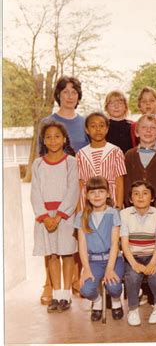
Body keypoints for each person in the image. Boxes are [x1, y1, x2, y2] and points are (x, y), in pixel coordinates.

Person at [38, 75, 88, 304]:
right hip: (53, 184)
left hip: (79, 183)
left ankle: (75, 280)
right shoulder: (48, 120)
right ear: (58, 95)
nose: (69, 96)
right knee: (50, 236)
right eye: (65, 91)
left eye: (73, 91)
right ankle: (49, 284)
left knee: (74, 232)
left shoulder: (84, 122)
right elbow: (42, 155)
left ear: (78, 96)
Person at [31, 121, 79, 313]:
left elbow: (72, 190)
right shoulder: (38, 163)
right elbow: (35, 192)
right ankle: (55, 293)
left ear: (64, 139)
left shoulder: (71, 162)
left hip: (64, 217)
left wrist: (58, 216)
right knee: (51, 254)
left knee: (67, 254)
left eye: (57, 136)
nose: (53, 140)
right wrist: (44, 216)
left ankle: (65, 295)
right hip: (45, 218)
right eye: (48, 137)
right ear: (43, 140)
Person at [75, 176, 125, 322]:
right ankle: (97, 302)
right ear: (87, 195)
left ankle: (116, 301)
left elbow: (115, 243)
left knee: (114, 286)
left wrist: (110, 268)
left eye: (101, 191)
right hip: (93, 262)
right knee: (85, 288)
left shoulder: (113, 213)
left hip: (113, 259)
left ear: (108, 194)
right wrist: (86, 269)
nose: (97, 195)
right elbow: (82, 246)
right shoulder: (82, 215)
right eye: (92, 192)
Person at [121, 180, 156, 326]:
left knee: (155, 275)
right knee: (133, 276)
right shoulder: (124, 214)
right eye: (136, 194)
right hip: (132, 256)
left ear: (152, 198)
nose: (140, 197)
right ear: (130, 199)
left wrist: (153, 262)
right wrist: (133, 264)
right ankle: (133, 309)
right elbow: (125, 244)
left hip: (153, 255)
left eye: (145, 193)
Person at [76, 112, 127, 210]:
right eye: (93, 126)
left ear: (107, 129)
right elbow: (80, 184)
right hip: (88, 204)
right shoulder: (80, 154)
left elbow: (119, 181)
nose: (98, 129)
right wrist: (79, 210)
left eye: (101, 125)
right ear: (87, 130)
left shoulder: (116, 151)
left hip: (111, 200)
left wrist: (118, 206)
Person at [124, 114, 156, 209]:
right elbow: (127, 184)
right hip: (134, 209)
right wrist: (131, 205)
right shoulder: (129, 155)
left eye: (153, 127)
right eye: (144, 127)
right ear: (137, 132)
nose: (148, 130)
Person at [104, 90, 136, 154]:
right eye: (112, 103)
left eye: (120, 103)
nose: (116, 106)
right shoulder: (103, 126)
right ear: (106, 107)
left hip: (128, 161)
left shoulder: (133, 126)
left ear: (125, 107)